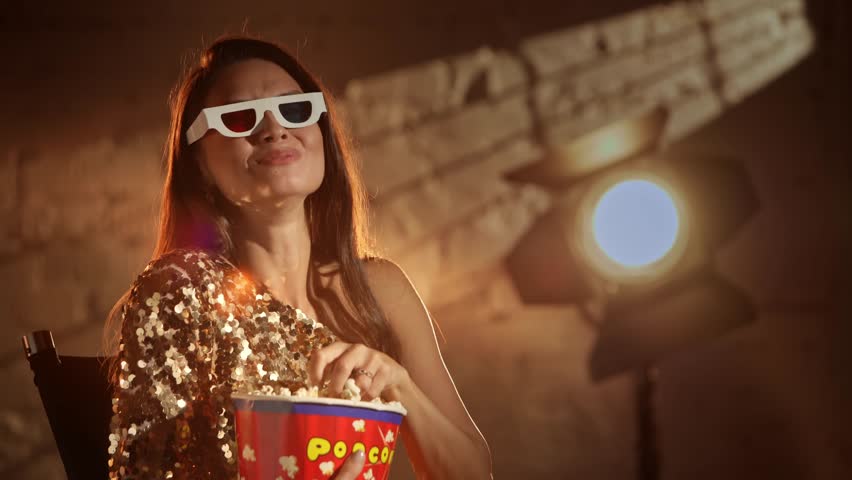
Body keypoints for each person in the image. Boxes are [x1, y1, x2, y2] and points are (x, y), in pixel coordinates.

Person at [102, 34, 493, 480]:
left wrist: (402, 386)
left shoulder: (382, 289)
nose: (273, 129)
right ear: (200, 163)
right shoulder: (177, 291)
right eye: (239, 117)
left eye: (295, 108)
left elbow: (475, 474)